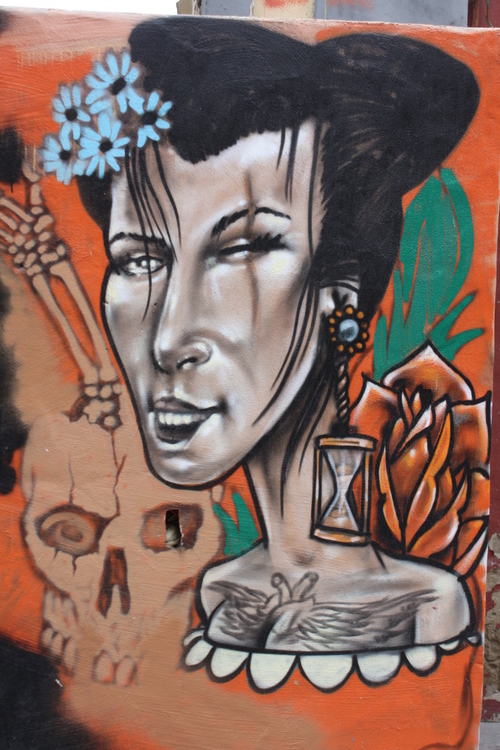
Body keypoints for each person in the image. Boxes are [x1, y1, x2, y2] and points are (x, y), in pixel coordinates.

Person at [75, 17, 479, 657]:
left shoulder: (426, 607)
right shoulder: (215, 591)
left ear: (339, 292)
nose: (168, 338)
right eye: (138, 259)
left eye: (242, 249)